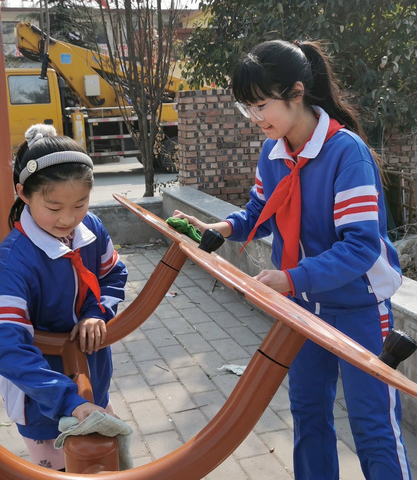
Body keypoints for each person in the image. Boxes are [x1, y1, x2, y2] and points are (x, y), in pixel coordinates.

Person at [173, 40, 411, 480]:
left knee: (373, 427)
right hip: (301, 308)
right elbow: (258, 213)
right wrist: (220, 229)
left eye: (261, 105)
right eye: (248, 108)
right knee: (307, 415)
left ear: (297, 93)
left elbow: (361, 247)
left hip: (358, 310)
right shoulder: (274, 151)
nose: (255, 118)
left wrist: (290, 278)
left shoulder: (346, 152)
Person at [0, 124, 128, 471]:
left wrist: (97, 312)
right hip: (41, 399)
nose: (68, 218)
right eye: (54, 207)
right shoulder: (14, 261)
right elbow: (7, 345)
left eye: (80, 203)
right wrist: (67, 400)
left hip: (92, 378)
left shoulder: (91, 228)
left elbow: (113, 274)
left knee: (108, 464)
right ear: (24, 193)